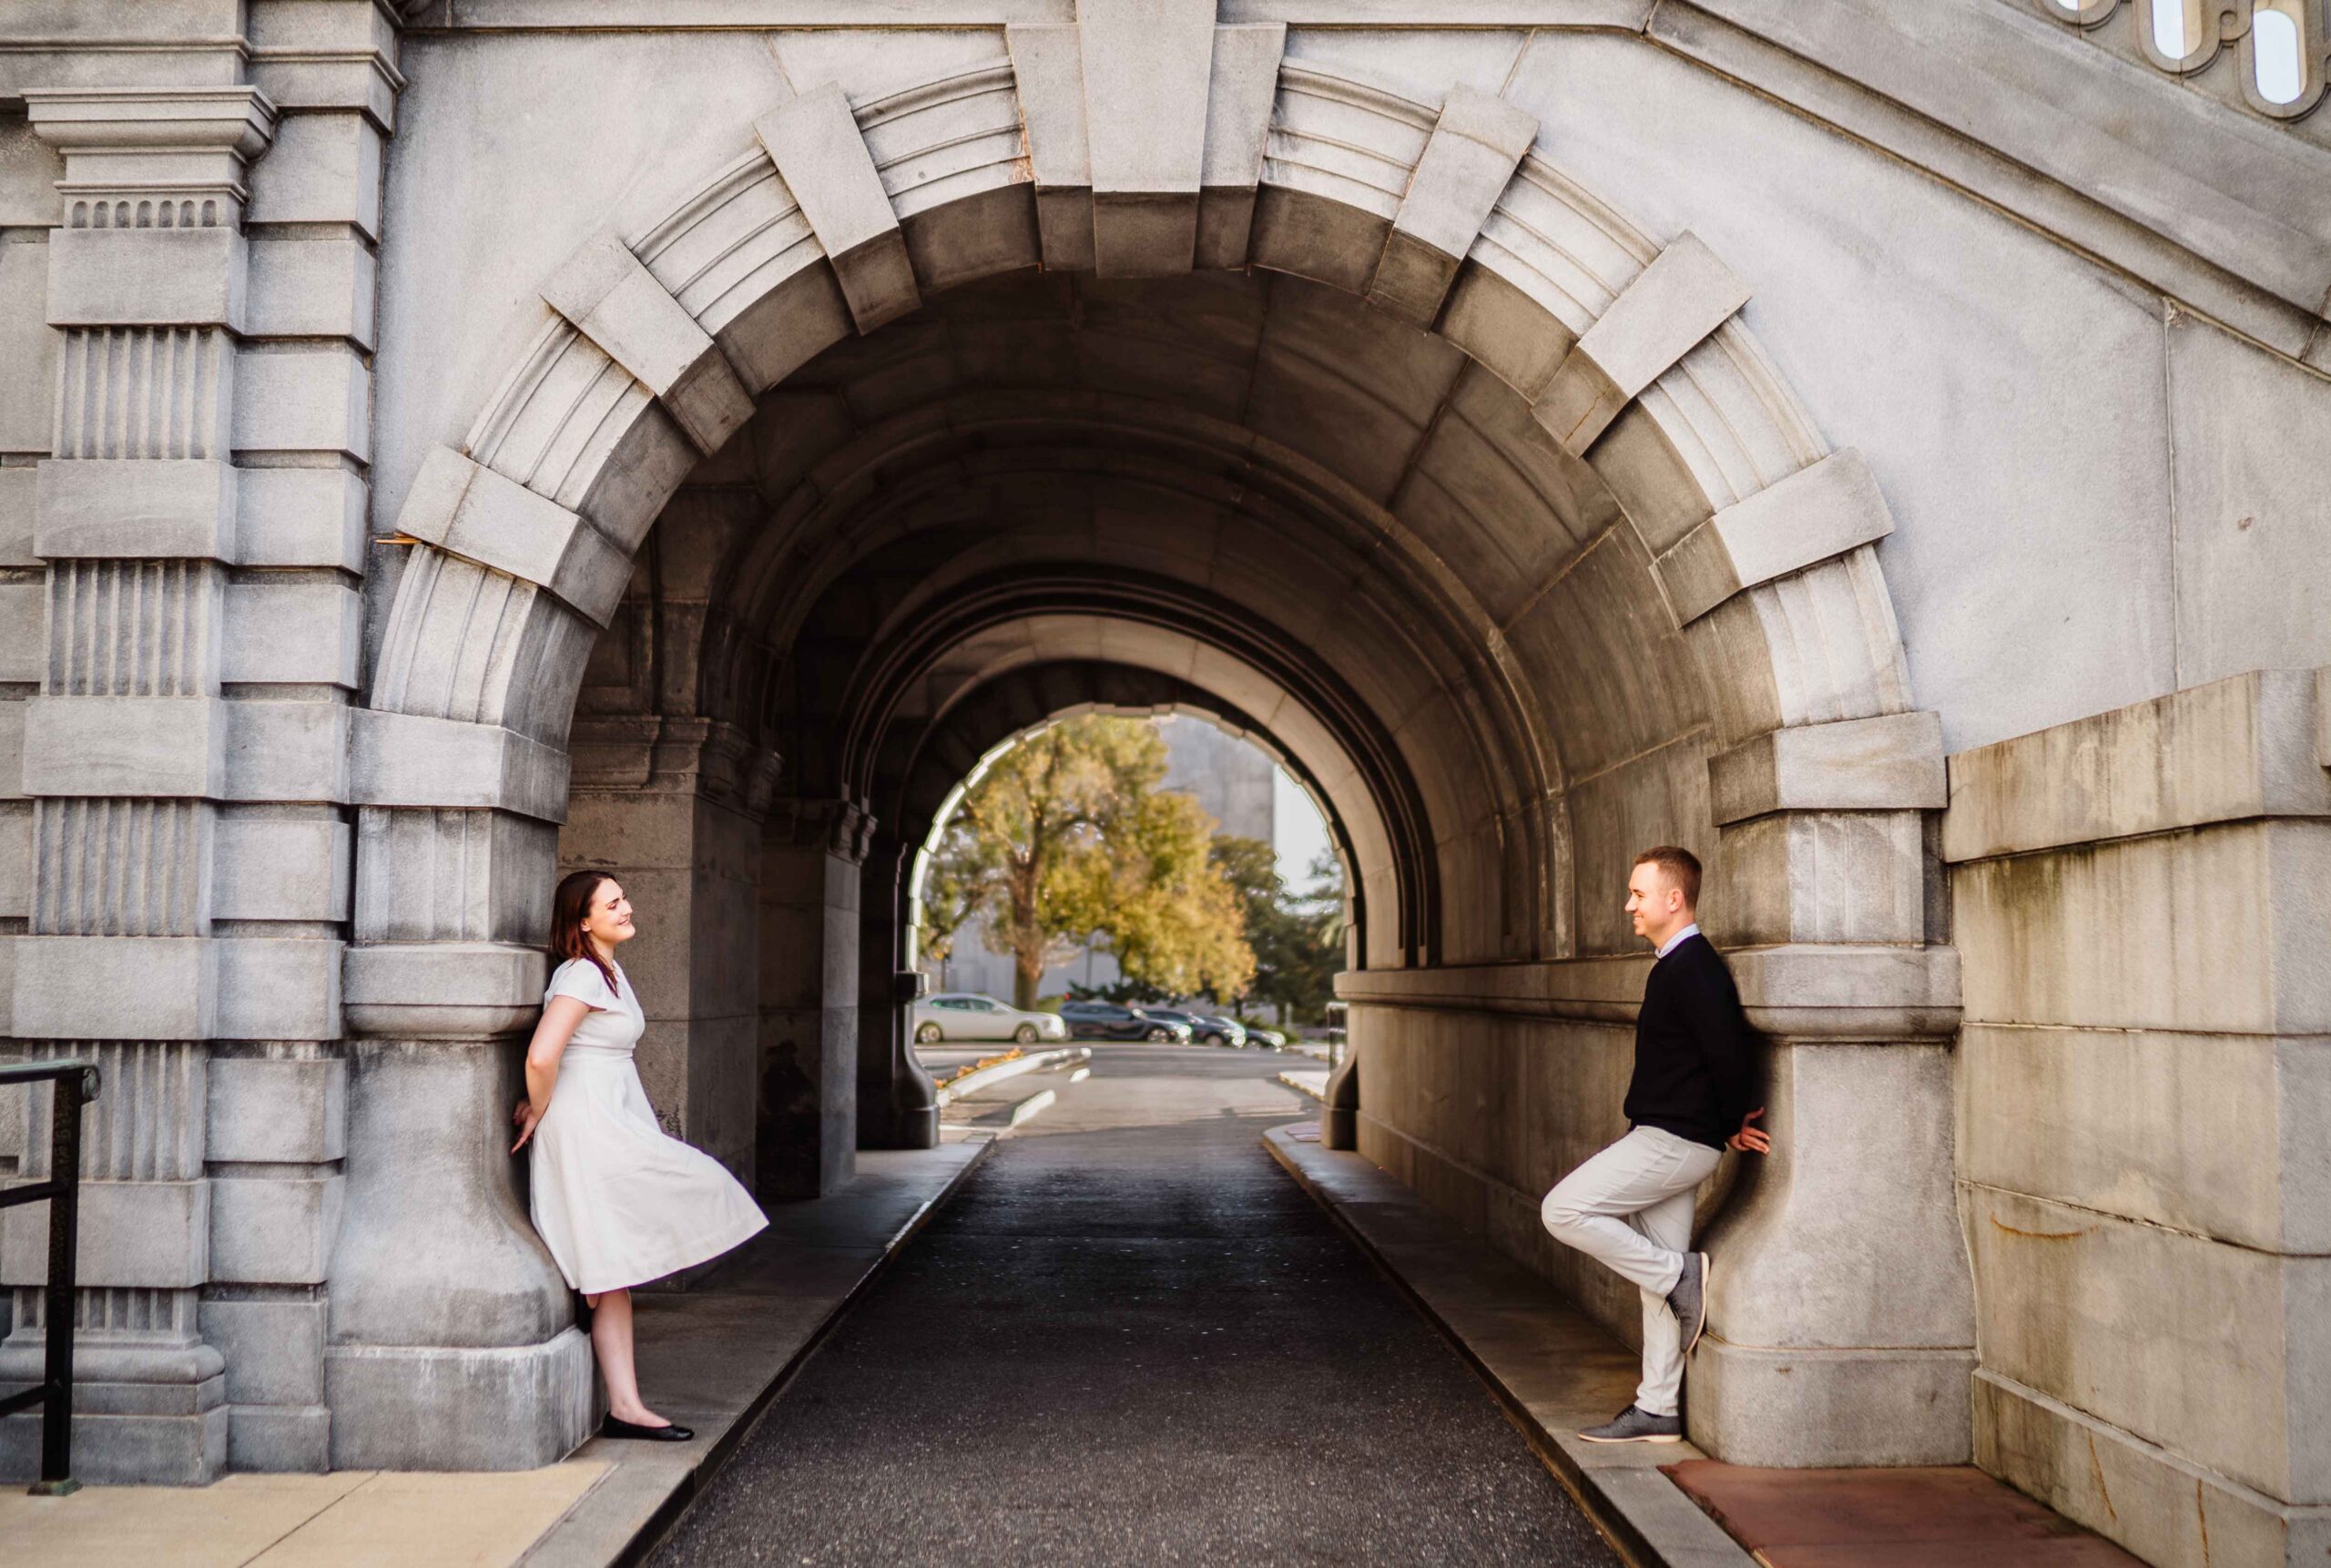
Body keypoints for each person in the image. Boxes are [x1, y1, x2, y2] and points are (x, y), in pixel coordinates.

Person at [510, 870, 769, 1441]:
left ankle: (625, 1407)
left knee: (614, 1269)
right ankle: (625, 1404)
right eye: (612, 903)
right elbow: (541, 1056)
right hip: (586, 1128)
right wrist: (538, 1107)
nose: (626, 908)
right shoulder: (579, 974)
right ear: (583, 921)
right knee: (669, 1206)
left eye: (624, 898)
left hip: (608, 1119)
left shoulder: (608, 970)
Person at [1542, 846, 1768, 1444]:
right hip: (1674, 1138)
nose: (1628, 905)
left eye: (1638, 894)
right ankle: (1658, 1409)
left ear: (1675, 898)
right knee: (1655, 1289)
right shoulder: (1675, 964)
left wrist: (1727, 1122)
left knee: (1562, 1209)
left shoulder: (1693, 966)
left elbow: (1730, 1053)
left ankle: (1679, 1273)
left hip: (1673, 1142)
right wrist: (1727, 1123)